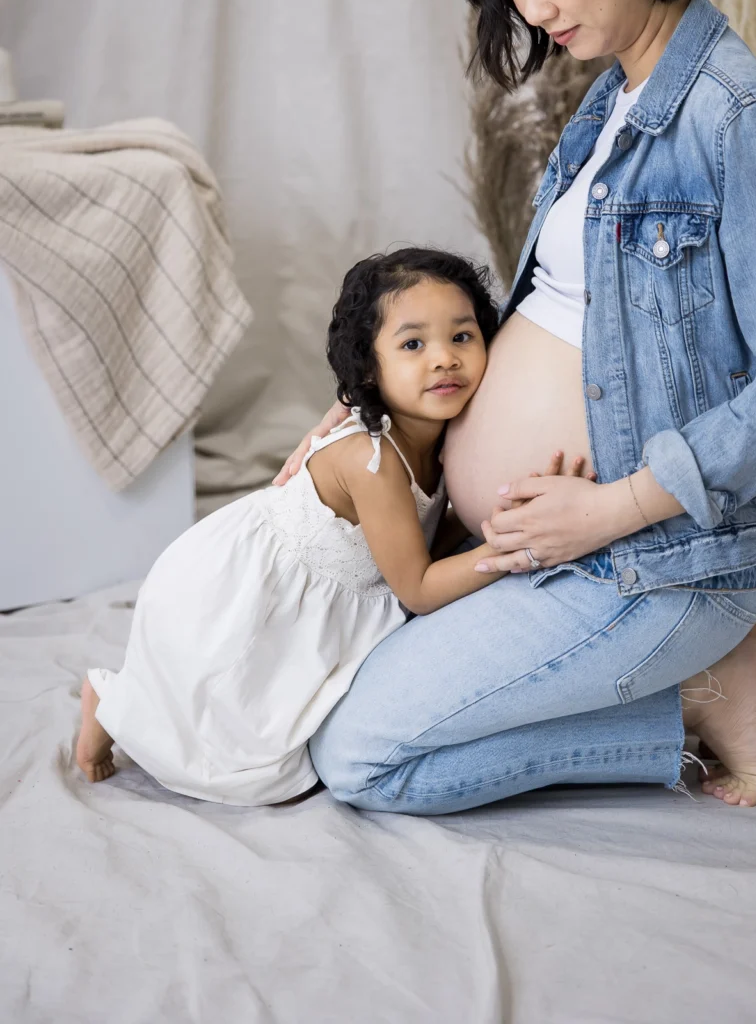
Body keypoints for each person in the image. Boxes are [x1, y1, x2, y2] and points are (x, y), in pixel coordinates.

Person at [276, 0, 756, 814]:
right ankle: (693, 680)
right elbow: (566, 316)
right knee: (305, 680)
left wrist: (610, 507)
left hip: (645, 559)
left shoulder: (738, 116)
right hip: (532, 537)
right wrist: (377, 408)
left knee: (358, 752)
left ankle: (682, 699)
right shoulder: (609, 102)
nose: (535, 7)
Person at [76, 248, 595, 804]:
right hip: (245, 591)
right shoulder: (371, 460)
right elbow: (418, 589)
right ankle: (107, 704)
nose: (444, 359)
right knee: (228, 735)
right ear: (369, 369)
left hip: (328, 590)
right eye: (413, 344)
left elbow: (422, 536)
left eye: (462, 337)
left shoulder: (441, 434)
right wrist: (516, 541)